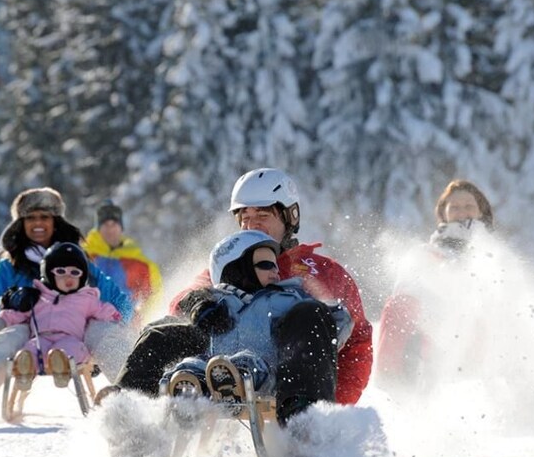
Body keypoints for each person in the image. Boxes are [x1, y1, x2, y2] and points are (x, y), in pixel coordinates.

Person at [98, 168, 373, 407]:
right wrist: (198, 304)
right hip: (222, 365)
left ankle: (302, 415)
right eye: (244, 217)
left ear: (290, 216)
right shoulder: (230, 263)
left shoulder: (321, 272)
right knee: (161, 331)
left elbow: (357, 340)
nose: (251, 224)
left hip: (287, 376)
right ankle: (128, 412)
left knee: (310, 318)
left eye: (263, 215)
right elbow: (184, 298)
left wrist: (334, 404)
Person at [0, 187, 134, 430]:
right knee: (8, 336)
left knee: (102, 329)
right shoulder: (10, 267)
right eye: (30, 218)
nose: (38, 223)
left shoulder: (75, 261)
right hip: (27, 331)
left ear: (56, 222)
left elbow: (121, 304)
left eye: (45, 217)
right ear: (20, 224)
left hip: (76, 329)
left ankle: (138, 390)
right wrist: (6, 302)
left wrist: (104, 324)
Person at [375, 179, 534, 415]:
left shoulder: (497, 254)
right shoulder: (424, 253)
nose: (461, 212)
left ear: (481, 212)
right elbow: (406, 289)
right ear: (443, 214)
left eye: (468, 205)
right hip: (438, 337)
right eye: (454, 207)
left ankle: (522, 410)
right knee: (400, 304)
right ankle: (402, 396)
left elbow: (513, 296)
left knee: (514, 316)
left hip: (487, 337)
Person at [160, 230, 354, 426]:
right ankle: (153, 405)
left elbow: (335, 320)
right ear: (237, 269)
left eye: (276, 265)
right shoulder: (213, 303)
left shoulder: (286, 298)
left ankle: (302, 414)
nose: (276, 271)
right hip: (214, 370)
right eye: (266, 264)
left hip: (267, 375)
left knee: (249, 363)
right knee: (170, 342)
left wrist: (323, 314)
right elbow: (181, 306)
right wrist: (196, 303)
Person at [0, 242, 123, 390]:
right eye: (61, 271)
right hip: (40, 339)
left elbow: (103, 310)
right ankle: (25, 371)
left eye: (75, 273)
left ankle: (62, 368)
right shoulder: (37, 298)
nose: (68, 277)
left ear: (82, 277)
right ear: (49, 274)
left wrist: (117, 318)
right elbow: (16, 315)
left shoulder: (86, 299)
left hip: (70, 338)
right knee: (29, 350)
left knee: (71, 350)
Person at [83, 199, 163, 319]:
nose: (110, 229)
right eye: (105, 225)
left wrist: (142, 319)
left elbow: (154, 294)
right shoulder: (84, 256)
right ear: (98, 229)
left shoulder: (137, 261)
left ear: (121, 228)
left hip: (124, 325)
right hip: (88, 323)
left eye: (114, 224)